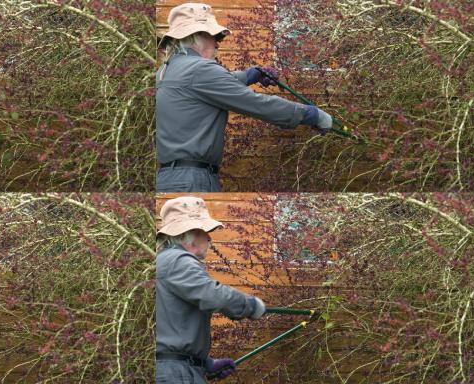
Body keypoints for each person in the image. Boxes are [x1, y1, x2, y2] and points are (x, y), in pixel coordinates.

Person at [156, 2, 333, 192]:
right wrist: (313, 114)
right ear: (197, 36)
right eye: (216, 37)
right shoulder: (201, 69)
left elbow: (214, 84)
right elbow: (259, 104)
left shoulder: (168, 69)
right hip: (192, 179)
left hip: (169, 177)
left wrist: (252, 75)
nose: (217, 43)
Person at [156, 196, 266, 383]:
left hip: (175, 370)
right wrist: (251, 305)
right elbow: (213, 295)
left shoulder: (164, 261)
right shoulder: (178, 261)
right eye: (204, 231)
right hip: (175, 374)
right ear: (188, 234)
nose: (209, 238)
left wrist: (204, 363)